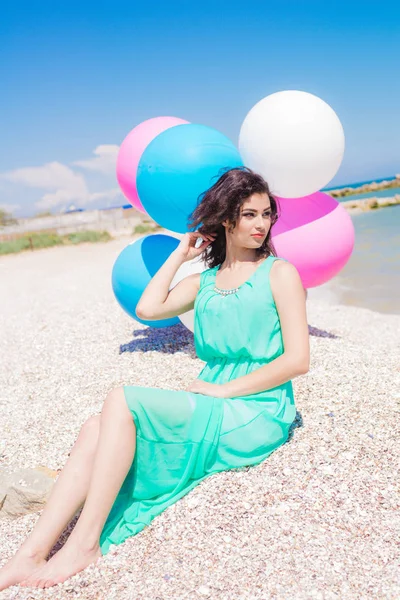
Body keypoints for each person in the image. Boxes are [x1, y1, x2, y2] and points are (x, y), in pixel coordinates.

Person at [0, 167, 309, 591]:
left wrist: (224, 390)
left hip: (257, 408)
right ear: (225, 219)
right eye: (249, 214)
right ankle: (28, 555)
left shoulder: (280, 273)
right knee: (95, 428)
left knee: (122, 399)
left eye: (266, 214)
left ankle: (84, 544)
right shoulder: (205, 281)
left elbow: (297, 360)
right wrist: (180, 255)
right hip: (213, 396)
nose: (260, 224)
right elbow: (147, 308)